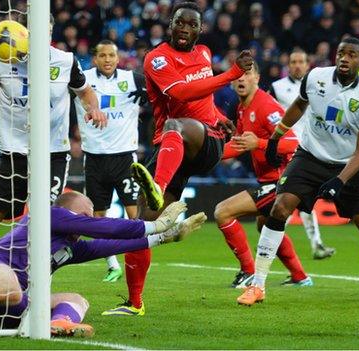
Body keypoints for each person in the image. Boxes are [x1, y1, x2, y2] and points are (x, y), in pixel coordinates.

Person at [103, 1, 252, 316]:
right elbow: (181, 94)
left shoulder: (203, 53)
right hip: (174, 148)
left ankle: (157, 184)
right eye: (180, 23)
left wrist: (218, 116)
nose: (185, 29)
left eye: (192, 24)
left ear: (200, 29)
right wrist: (231, 75)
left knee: (175, 126)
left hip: (203, 143)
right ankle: (135, 303)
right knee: (142, 225)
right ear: (169, 25)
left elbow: (201, 100)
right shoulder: (156, 59)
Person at [0, 191, 207, 336]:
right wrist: (153, 225)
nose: (87, 221)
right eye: (83, 215)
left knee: (75, 299)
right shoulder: (49, 214)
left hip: (8, 309)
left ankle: (59, 324)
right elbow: (104, 228)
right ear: (67, 212)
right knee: (10, 285)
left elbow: (110, 244)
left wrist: (168, 237)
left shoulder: (70, 247)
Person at [237, 37, 359, 306]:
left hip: (349, 164)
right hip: (310, 156)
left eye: (351, 55)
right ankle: (257, 286)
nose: (344, 58)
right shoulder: (316, 77)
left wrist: (339, 181)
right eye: (341, 53)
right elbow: (299, 105)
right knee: (280, 208)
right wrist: (276, 136)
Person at [0, 19, 107, 260]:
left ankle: (37, 282)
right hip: (14, 153)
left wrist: (93, 108)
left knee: (40, 222)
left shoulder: (65, 61)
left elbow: (85, 92)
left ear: (51, 32)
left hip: (52, 152)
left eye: (46, 31)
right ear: (23, 33)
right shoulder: (2, 60)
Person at [214, 62, 311, 288]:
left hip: (284, 180)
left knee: (223, 212)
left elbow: (293, 144)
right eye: (237, 75)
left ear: (257, 77)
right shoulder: (241, 108)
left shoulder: (266, 106)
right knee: (265, 224)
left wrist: (259, 142)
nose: (241, 79)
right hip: (270, 180)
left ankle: (248, 271)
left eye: (247, 74)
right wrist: (206, 158)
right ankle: (300, 276)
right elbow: (238, 146)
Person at [73, 40, 146, 283]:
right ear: (94, 59)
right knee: (98, 217)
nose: (107, 60)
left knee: (134, 214)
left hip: (124, 157)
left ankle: (136, 262)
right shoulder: (81, 79)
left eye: (111, 55)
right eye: (102, 55)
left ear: (118, 58)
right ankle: (112, 264)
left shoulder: (133, 79)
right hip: (94, 159)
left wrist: (150, 94)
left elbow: (160, 91)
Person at [270, 48, 336, 260]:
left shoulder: (318, 87)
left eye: (301, 62)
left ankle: (277, 241)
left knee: (301, 200)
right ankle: (273, 241)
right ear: (288, 65)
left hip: (312, 150)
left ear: (308, 65)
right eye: (293, 62)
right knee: (291, 200)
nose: (297, 65)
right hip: (289, 151)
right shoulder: (277, 88)